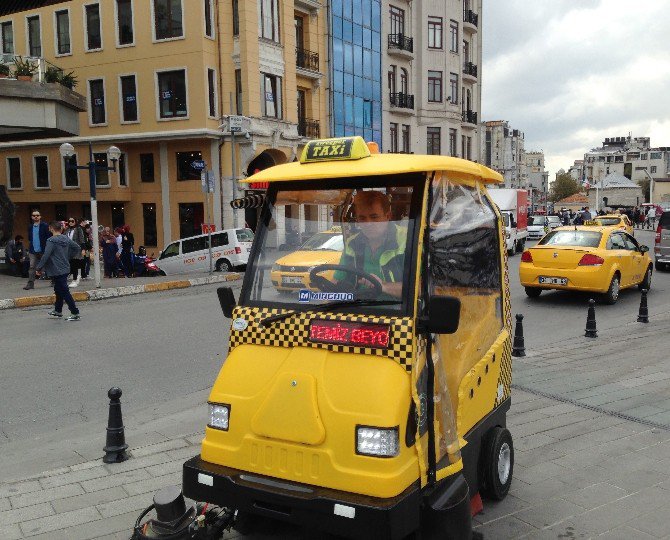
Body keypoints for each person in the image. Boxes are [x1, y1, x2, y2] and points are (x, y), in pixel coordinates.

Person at [335, 190, 405, 298]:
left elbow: (421, 288)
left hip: (398, 312)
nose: (368, 224)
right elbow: (337, 280)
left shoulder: (408, 240)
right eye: (362, 218)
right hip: (356, 310)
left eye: (374, 217)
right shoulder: (352, 243)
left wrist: (383, 286)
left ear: (388, 216)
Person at [36, 221, 81, 321]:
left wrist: (39, 268)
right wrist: (68, 256)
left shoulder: (51, 240)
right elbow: (77, 247)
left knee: (64, 291)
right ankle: (58, 310)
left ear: (51, 229)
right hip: (64, 267)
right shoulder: (66, 238)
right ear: (60, 229)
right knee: (58, 290)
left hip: (56, 269)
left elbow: (46, 255)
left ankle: (75, 312)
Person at [24, 210, 51, 290]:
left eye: (37, 215)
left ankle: (54, 280)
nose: (36, 216)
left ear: (40, 216)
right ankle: (30, 283)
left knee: (48, 265)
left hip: (43, 250)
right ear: (32, 217)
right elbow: (29, 238)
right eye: (34, 215)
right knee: (32, 266)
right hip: (33, 250)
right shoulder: (30, 226)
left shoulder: (45, 225)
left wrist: (48, 248)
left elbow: (48, 237)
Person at [65, 217, 86, 288]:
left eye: (72, 221)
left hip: (77, 249)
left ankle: (74, 279)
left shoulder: (78, 229)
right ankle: (76, 277)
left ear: (75, 222)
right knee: (70, 264)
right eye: (69, 221)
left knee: (74, 264)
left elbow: (82, 239)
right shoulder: (67, 229)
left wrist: (83, 249)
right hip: (68, 250)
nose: (70, 222)